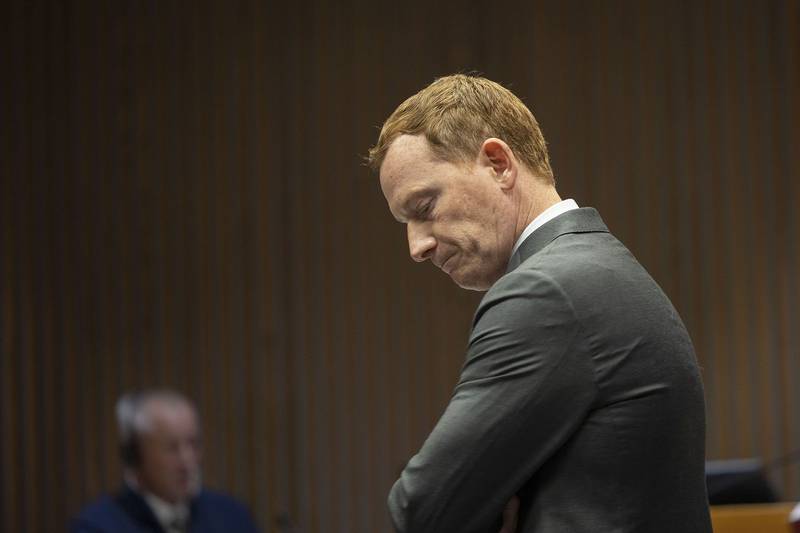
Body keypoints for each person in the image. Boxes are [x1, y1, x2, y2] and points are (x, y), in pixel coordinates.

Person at [368, 74, 711, 533]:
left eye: (424, 207)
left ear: (498, 164)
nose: (417, 246)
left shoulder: (545, 293)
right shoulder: (599, 268)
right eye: (405, 223)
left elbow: (424, 512)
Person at [71, 389, 260, 533]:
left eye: (193, 444)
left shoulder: (232, 517)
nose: (187, 461)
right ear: (135, 455)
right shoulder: (96, 527)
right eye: (172, 448)